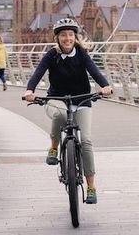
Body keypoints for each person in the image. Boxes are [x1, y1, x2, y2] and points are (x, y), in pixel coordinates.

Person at [23, 18, 113, 205]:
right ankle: (54, 147)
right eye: (63, 35)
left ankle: (91, 187)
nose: (67, 38)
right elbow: (38, 73)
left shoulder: (81, 54)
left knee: (86, 140)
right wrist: (30, 90)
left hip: (82, 100)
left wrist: (105, 86)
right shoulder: (51, 55)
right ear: (57, 38)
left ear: (75, 37)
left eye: (71, 35)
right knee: (60, 114)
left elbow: (94, 71)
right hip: (57, 99)